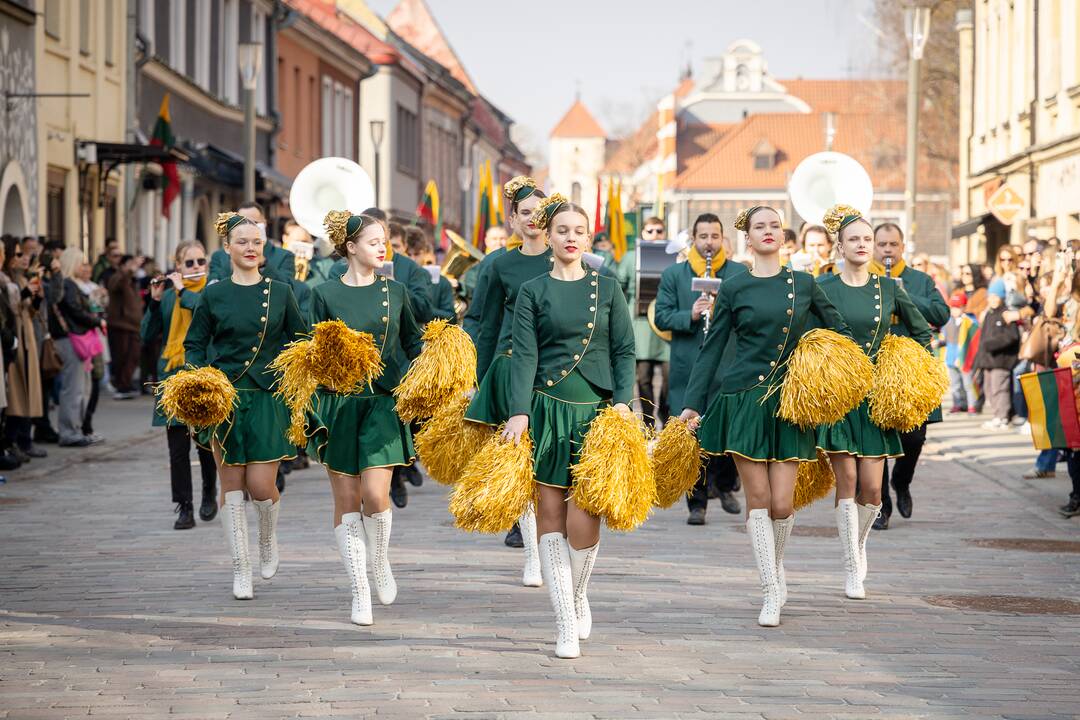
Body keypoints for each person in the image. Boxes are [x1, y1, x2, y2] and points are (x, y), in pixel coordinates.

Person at [679, 205, 851, 627]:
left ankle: (776, 568)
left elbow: (841, 333)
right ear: (748, 238)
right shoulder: (733, 287)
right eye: (760, 227)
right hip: (743, 401)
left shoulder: (805, 283)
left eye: (775, 226)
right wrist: (692, 403)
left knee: (781, 502)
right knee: (757, 500)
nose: (769, 232)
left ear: (784, 236)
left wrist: (823, 366)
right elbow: (713, 348)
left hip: (791, 404)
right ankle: (770, 588)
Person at [501, 193, 635, 658]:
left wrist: (622, 403)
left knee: (587, 518)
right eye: (562, 231)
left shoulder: (608, 287)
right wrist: (519, 410)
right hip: (545, 411)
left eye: (579, 231)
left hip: (597, 414)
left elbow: (623, 351)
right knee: (551, 518)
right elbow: (525, 355)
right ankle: (563, 619)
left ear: (588, 237)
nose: (571, 238)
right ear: (549, 235)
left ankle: (578, 595)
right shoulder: (531, 291)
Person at [306, 211, 423, 625]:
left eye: (384, 241)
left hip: (382, 404)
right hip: (338, 404)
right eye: (373, 241)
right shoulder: (323, 294)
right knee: (346, 500)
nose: (382, 247)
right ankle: (359, 591)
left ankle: (379, 560)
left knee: (376, 496)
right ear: (350, 248)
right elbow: (309, 351)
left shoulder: (396, 291)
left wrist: (432, 374)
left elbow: (413, 342)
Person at [184, 212, 307, 600]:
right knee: (232, 488)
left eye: (256, 242)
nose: (250, 248)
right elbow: (195, 343)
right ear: (227, 248)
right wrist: (196, 380)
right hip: (225, 401)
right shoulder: (213, 294)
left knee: (260, 485)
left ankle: (268, 537)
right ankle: (241, 568)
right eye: (242, 242)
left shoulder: (281, 291)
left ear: (264, 248)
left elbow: (299, 341)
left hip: (269, 399)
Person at [814, 205, 933, 599]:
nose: (863, 245)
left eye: (867, 239)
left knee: (873, 490)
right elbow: (803, 337)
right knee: (847, 481)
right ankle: (851, 563)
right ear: (840, 246)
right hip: (840, 397)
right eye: (855, 239)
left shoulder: (889, 289)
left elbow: (922, 334)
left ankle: (860, 543)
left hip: (876, 400)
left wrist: (907, 369)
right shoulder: (822, 287)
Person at [465, 176, 548, 574]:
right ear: (513, 219)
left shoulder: (567, 258)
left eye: (540, 212)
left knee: (548, 462)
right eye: (525, 212)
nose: (534, 219)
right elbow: (483, 321)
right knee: (520, 461)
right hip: (511, 368)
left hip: (556, 374)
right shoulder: (499, 264)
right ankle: (532, 553)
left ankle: (552, 544)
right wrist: (474, 379)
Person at [654, 213, 747, 522]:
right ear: (693, 239)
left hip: (727, 364)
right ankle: (696, 501)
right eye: (703, 236)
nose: (709, 242)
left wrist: (726, 307)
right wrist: (690, 314)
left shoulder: (737, 273)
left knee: (728, 427)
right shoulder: (674, 274)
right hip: (689, 364)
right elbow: (661, 317)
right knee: (691, 433)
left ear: (723, 239)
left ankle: (724, 483)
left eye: (714, 236)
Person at [868, 222, 949, 529]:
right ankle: (882, 505)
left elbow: (942, 314)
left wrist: (904, 295)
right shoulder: (865, 278)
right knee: (877, 439)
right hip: (876, 367)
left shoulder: (919, 279)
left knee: (914, 437)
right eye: (882, 245)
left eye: (893, 245)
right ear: (874, 247)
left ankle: (902, 481)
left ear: (902, 247)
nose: (887, 250)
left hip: (913, 369)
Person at [143, 240, 217, 530]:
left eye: (201, 262)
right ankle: (184, 506)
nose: (196, 267)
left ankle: (209, 491)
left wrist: (184, 290)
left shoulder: (213, 291)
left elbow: (202, 313)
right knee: (177, 447)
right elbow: (147, 335)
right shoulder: (170, 296)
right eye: (190, 263)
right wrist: (155, 300)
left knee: (204, 444)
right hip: (172, 375)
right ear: (177, 267)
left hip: (201, 374)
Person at [614, 216, 670, 429]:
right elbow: (619, 285)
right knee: (643, 377)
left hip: (665, 328)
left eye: (659, 231)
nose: (655, 235)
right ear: (642, 233)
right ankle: (647, 421)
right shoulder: (630, 257)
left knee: (668, 377)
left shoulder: (673, 255)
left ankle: (666, 419)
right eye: (650, 231)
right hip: (639, 325)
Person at [49, 248, 103, 447]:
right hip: (72, 339)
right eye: (81, 262)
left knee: (77, 387)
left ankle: (73, 429)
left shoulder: (67, 284)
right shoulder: (69, 284)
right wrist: (95, 321)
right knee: (74, 388)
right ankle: (69, 431)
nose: (84, 266)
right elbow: (75, 310)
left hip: (70, 338)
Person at [0, 236, 46, 462]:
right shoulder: (6, 280)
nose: (22, 258)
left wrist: (35, 297)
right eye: (18, 254)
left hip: (26, 334)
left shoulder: (18, 278)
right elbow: (11, 308)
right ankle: (12, 440)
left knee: (27, 390)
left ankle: (21, 439)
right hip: (15, 337)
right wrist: (27, 293)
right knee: (16, 392)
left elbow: (30, 310)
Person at [209, 201, 296, 284]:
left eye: (255, 222)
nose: (249, 226)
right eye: (243, 222)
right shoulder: (219, 256)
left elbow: (289, 288)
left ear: (264, 223)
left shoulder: (284, 256)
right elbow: (212, 288)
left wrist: (264, 265)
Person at [974, 279, 1020, 431]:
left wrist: (992, 344)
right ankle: (996, 416)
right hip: (988, 360)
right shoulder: (989, 314)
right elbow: (982, 339)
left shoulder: (1006, 313)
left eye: (996, 296)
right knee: (989, 389)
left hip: (1002, 360)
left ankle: (1003, 417)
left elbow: (1012, 336)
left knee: (1000, 389)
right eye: (991, 296)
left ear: (1002, 297)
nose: (993, 299)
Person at [72, 259, 108, 440]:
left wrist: (102, 296)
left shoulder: (93, 286)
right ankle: (83, 425)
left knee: (97, 380)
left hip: (96, 337)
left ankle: (87, 424)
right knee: (87, 384)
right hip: (84, 339)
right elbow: (83, 312)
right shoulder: (75, 287)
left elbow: (103, 307)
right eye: (82, 267)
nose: (86, 271)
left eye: (88, 268)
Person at [462, 226, 514, 342]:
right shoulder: (476, 267)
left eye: (502, 238)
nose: (498, 242)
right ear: (486, 241)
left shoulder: (512, 262)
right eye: (494, 239)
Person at [106, 254, 143, 400]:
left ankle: (125, 384)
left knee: (133, 356)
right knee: (121, 357)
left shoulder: (132, 280)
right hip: (120, 325)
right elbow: (115, 284)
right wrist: (127, 271)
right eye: (130, 264)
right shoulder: (117, 277)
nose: (133, 267)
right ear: (122, 266)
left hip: (134, 325)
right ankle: (121, 386)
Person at [405, 226, 455, 322]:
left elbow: (451, 317)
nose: (412, 259)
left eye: (417, 254)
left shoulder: (442, 282)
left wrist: (426, 310)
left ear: (424, 252)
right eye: (408, 254)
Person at [943, 291, 978, 414]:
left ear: (964, 307)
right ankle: (957, 404)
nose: (954, 310)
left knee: (968, 384)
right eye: (952, 307)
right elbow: (945, 338)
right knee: (955, 384)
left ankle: (972, 405)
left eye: (957, 307)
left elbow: (974, 339)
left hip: (964, 357)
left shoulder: (969, 321)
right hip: (951, 357)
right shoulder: (947, 321)